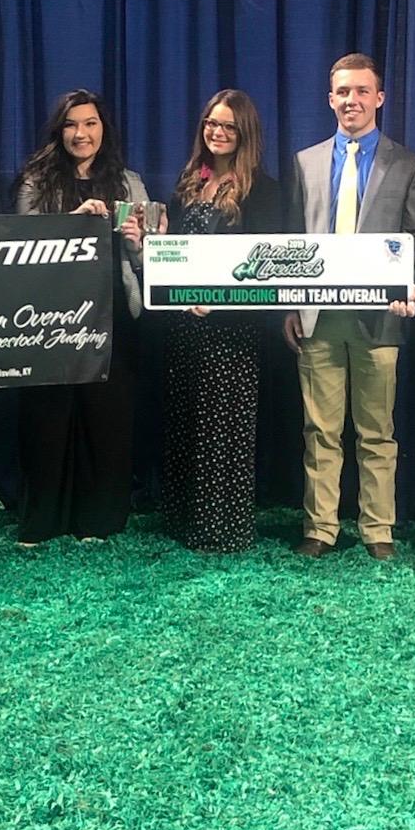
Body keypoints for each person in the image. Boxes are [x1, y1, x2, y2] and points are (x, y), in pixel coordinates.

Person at [283, 53, 415, 560]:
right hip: (317, 315)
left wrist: (407, 286)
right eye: (343, 92)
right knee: (319, 429)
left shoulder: (408, 164)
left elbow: (414, 238)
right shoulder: (305, 162)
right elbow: (296, 240)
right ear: (331, 99)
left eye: (362, 91)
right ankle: (320, 528)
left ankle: (377, 529)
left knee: (376, 430)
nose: (352, 100)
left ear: (379, 98)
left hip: (380, 318)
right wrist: (290, 306)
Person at [13, 89, 148, 543]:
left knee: (108, 418)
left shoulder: (129, 183)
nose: (81, 133)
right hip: (52, 319)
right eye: (72, 124)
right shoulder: (37, 180)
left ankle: (101, 518)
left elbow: (149, 259)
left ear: (103, 128)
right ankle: (44, 520)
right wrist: (73, 221)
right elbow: (22, 250)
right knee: (48, 418)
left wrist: (136, 243)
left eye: (90, 123)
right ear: (59, 131)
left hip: (114, 315)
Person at [161, 89, 282, 552]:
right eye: (212, 122)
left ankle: (221, 529)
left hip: (230, 327)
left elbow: (266, 264)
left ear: (245, 133)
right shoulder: (190, 181)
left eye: (229, 126)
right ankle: (183, 521)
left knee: (222, 427)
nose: (218, 131)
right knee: (187, 420)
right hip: (184, 327)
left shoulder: (264, 190)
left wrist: (221, 300)